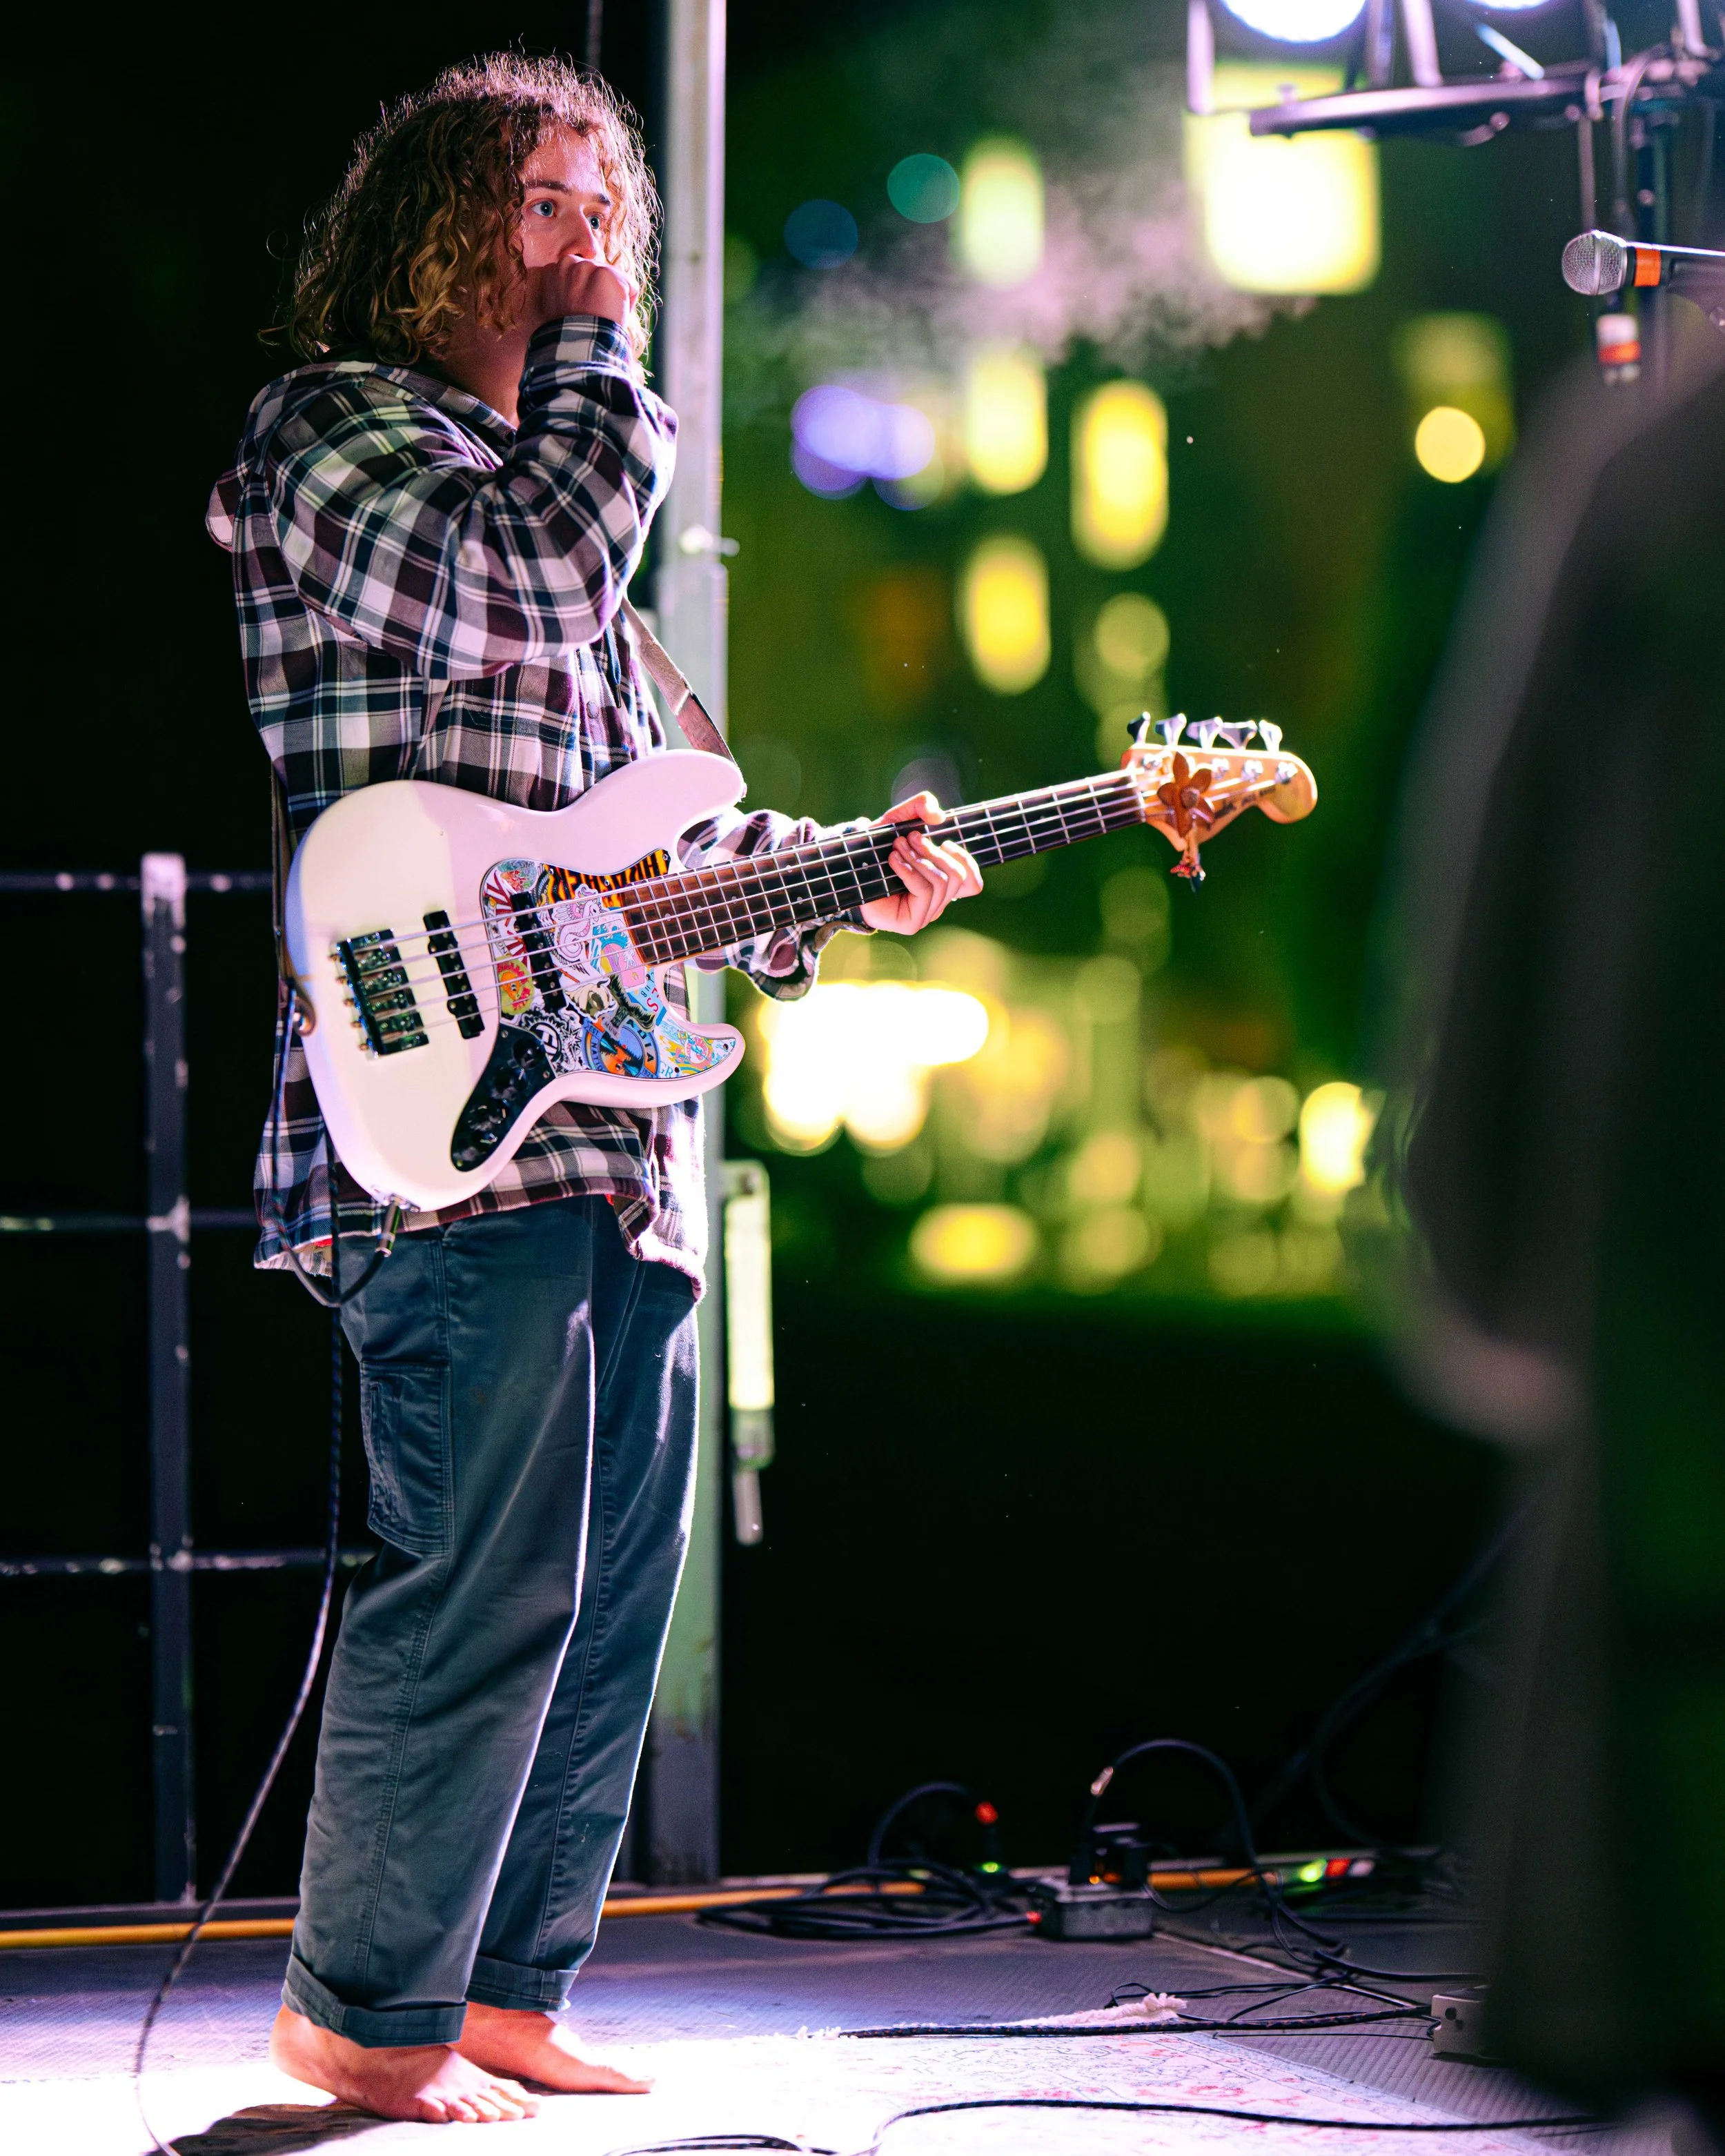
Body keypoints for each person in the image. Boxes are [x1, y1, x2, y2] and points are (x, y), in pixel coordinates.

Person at [206, 55, 981, 2127]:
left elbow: (661, 865)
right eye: (535, 208)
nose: (579, 245)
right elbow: (528, 572)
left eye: (597, 212)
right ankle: (360, 2008)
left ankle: (502, 1987)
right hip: (430, 1108)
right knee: (482, 1569)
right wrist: (601, 375)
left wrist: (847, 879)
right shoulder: (332, 438)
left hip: (608, 1130)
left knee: (610, 1584)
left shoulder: (600, 577)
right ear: (437, 227)